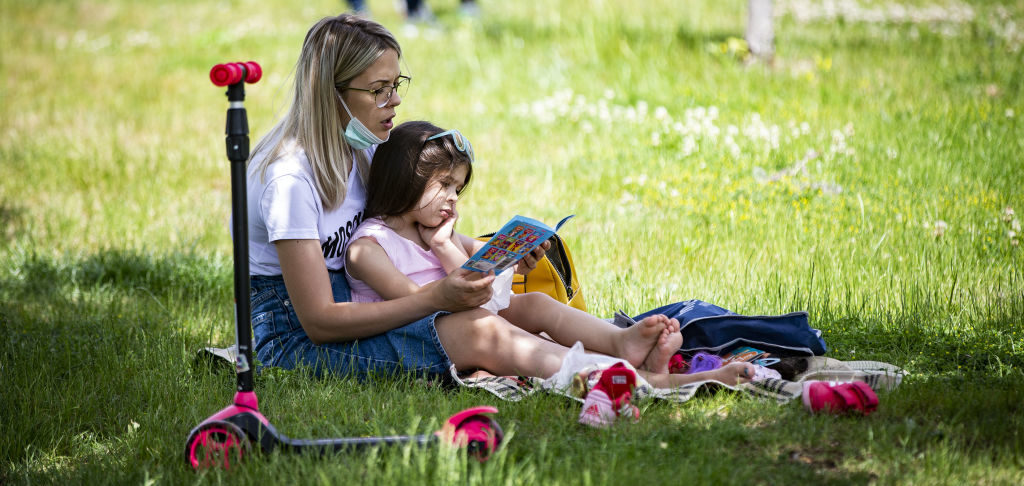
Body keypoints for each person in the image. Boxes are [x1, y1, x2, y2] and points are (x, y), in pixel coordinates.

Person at [245, 13, 755, 389]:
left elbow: (407, 228)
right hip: (296, 337)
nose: (394, 100)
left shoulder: (361, 144)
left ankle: (620, 350)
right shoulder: (291, 180)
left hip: (375, 305)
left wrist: (498, 254)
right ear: (330, 93)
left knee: (520, 308)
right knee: (478, 330)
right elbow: (319, 320)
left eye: (396, 85)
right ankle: (636, 380)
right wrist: (438, 298)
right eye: (379, 89)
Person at [343, 120, 758, 385]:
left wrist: (517, 254)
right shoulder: (369, 249)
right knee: (492, 329)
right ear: (405, 180)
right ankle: (635, 379)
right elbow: (420, 306)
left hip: (457, 323)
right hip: (411, 341)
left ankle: (620, 344)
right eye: (444, 185)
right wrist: (444, 248)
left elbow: (484, 264)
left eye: (457, 188)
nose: (453, 198)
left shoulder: (431, 229)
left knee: (536, 303)